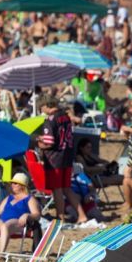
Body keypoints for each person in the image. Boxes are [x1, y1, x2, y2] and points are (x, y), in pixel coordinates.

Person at [37, 97, 90, 226]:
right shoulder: (65, 117)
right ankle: (82, 216)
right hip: (67, 157)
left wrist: (38, 142)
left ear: (46, 105)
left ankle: (60, 218)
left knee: (57, 189)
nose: (41, 111)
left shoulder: (51, 120)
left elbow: (49, 143)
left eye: (41, 108)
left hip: (55, 159)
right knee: (67, 188)